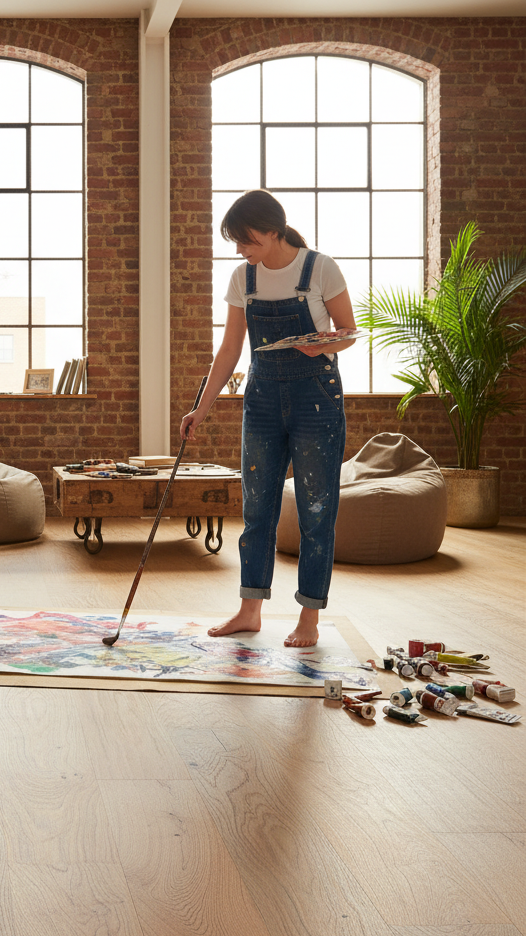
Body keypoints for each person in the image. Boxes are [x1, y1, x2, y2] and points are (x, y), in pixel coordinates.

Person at [180, 189, 357, 648]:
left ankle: (309, 618)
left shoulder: (319, 268)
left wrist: (324, 345)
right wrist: (202, 407)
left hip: (316, 399)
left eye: (246, 240)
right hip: (260, 401)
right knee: (257, 509)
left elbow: (349, 333)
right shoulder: (244, 279)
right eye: (237, 242)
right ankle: (250, 609)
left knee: (317, 510)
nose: (241, 250)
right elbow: (230, 349)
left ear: (273, 230)